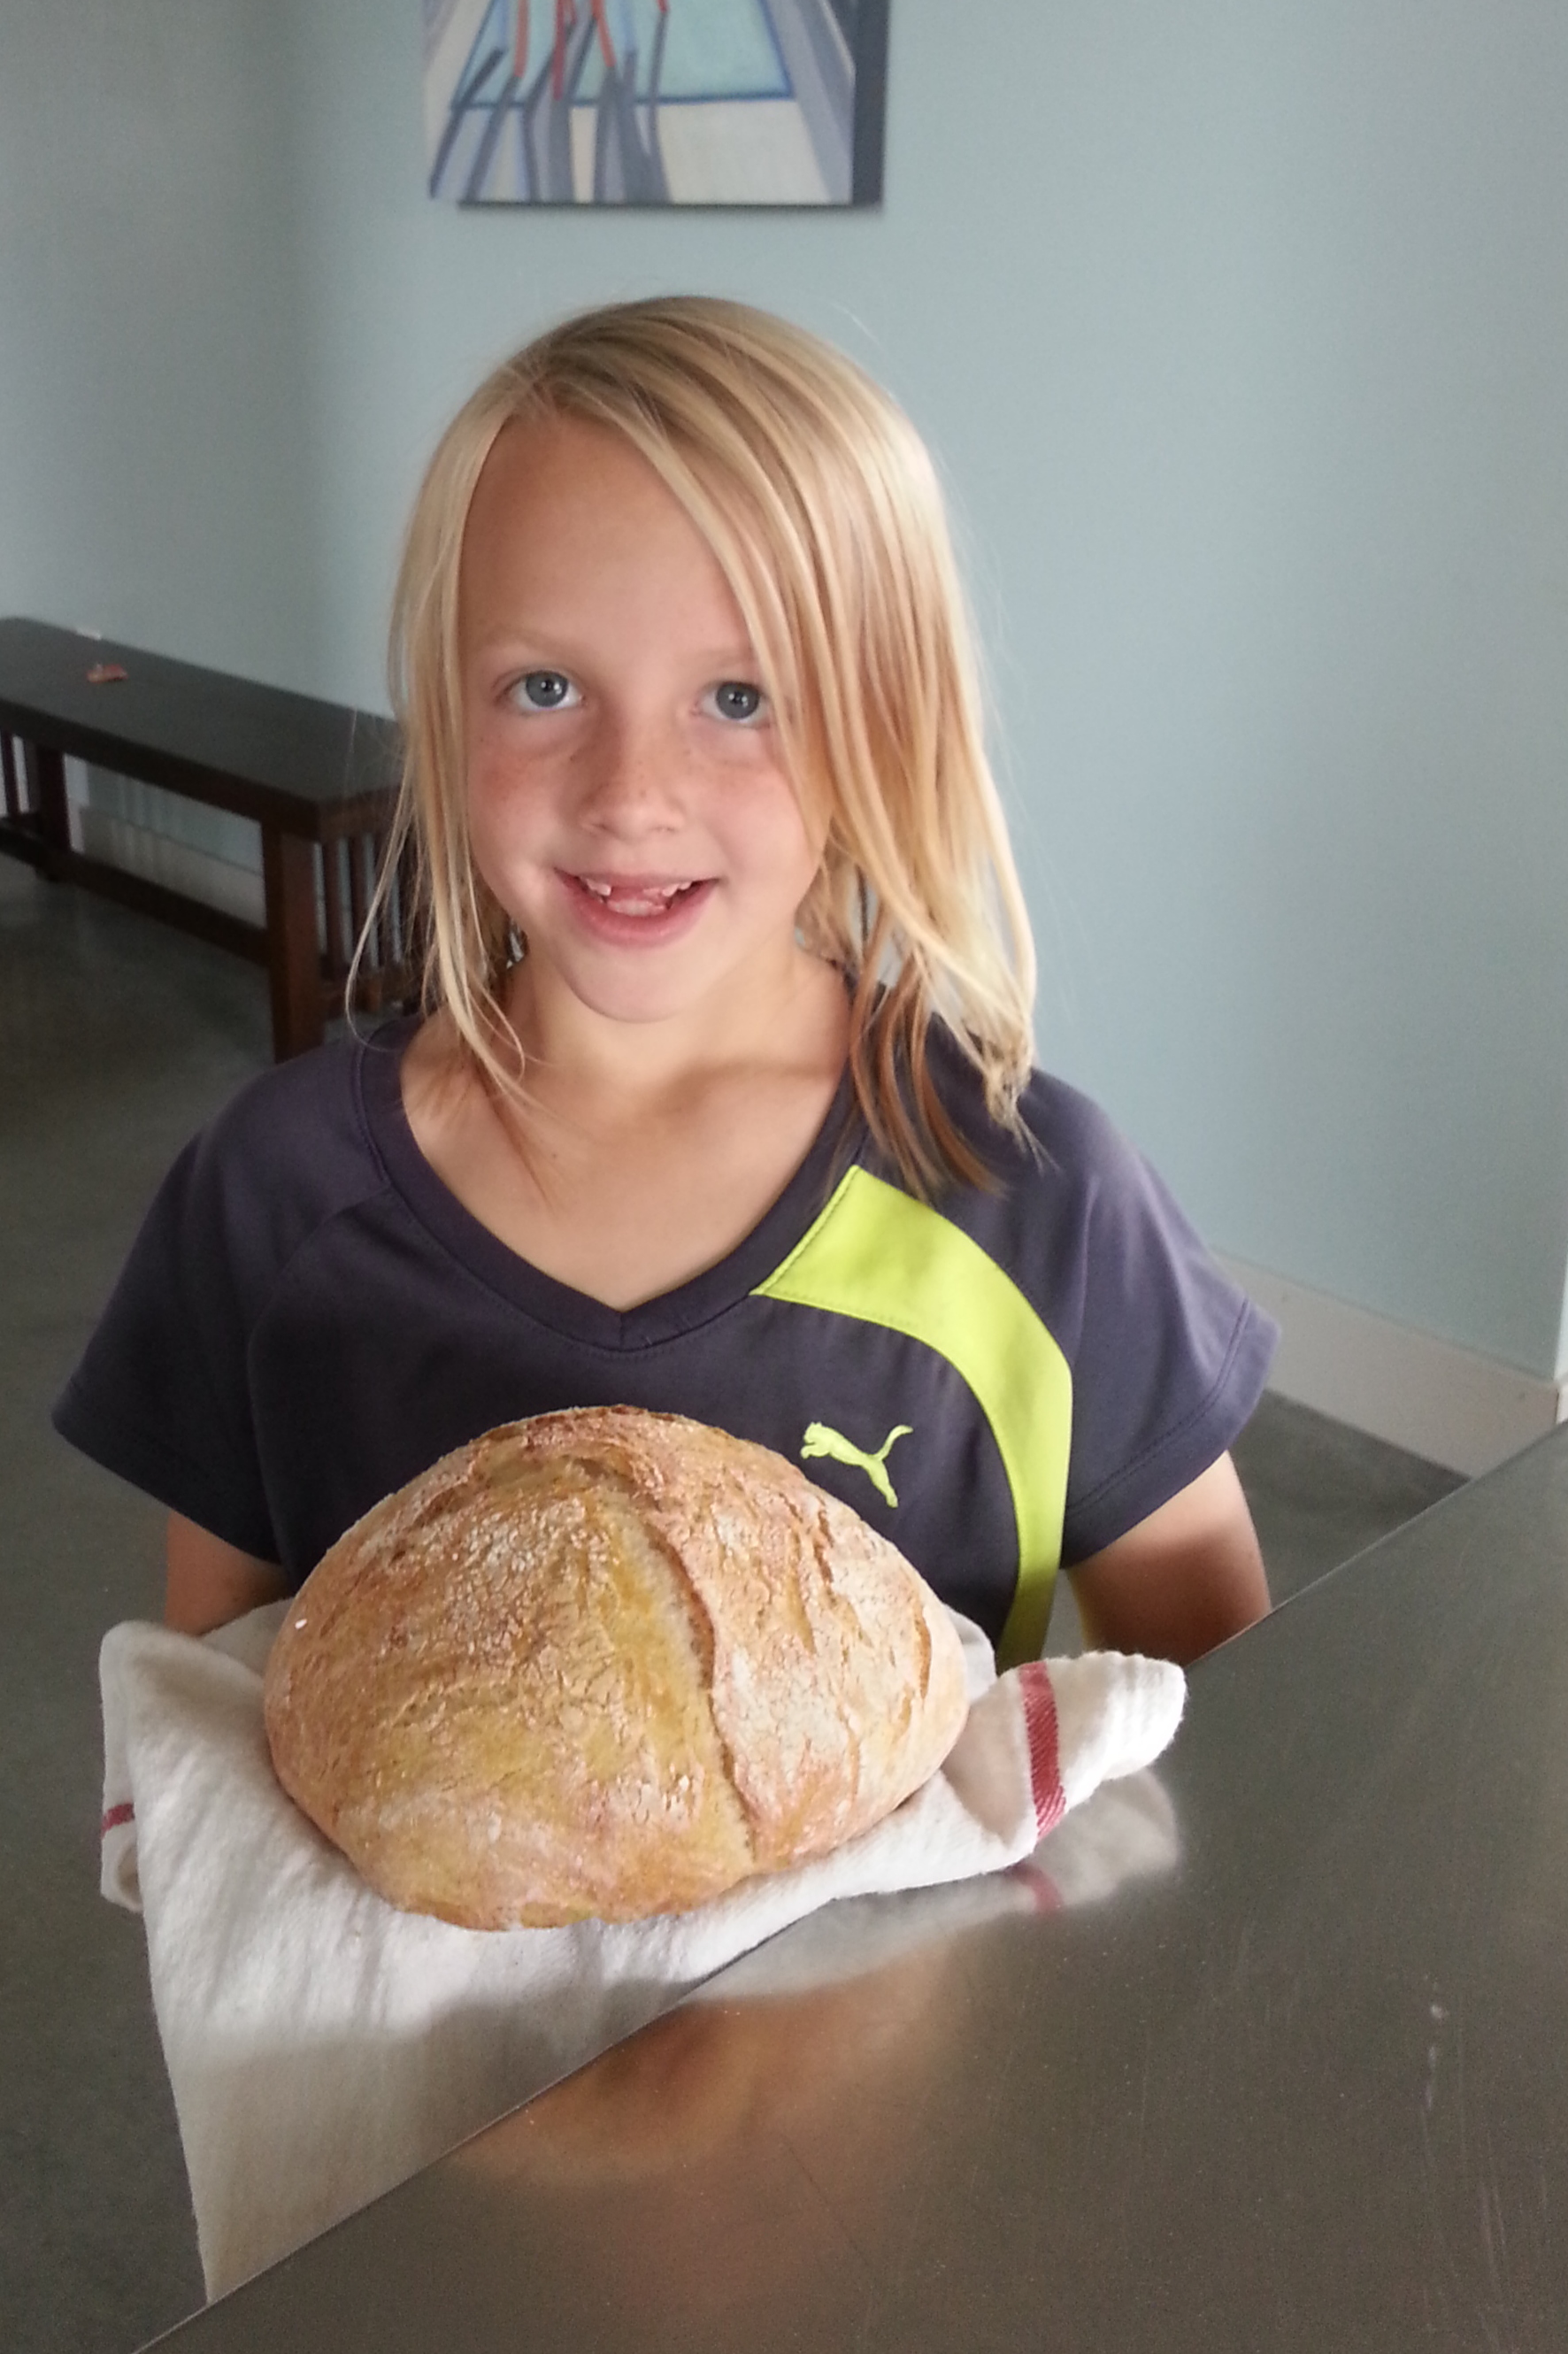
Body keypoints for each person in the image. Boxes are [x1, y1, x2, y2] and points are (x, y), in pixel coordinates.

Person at [54, 296, 1275, 1667]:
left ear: (886, 726)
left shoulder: (1038, 1205)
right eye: (545, 688)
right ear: (445, 709)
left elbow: (1226, 1708)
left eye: (740, 699)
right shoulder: (267, 1199)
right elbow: (220, 1710)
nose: (631, 796)